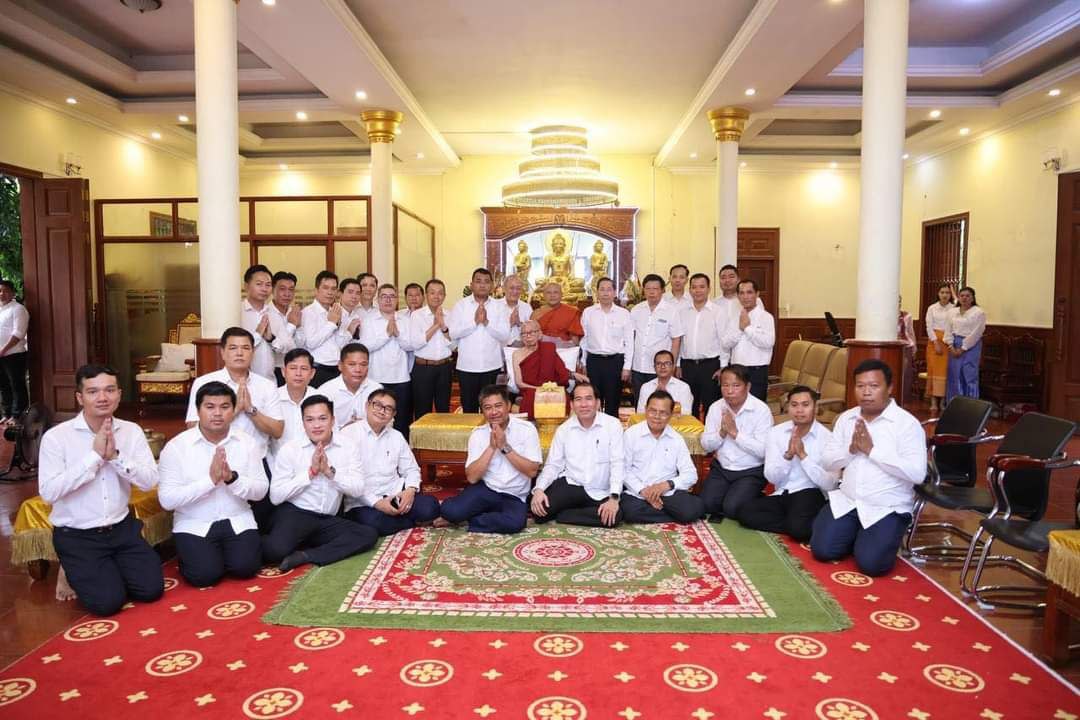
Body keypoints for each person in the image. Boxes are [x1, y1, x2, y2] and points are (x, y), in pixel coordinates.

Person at [38, 364, 163, 616]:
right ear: (79, 397)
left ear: (119, 394)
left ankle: (102, 569)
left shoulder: (131, 431)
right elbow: (49, 492)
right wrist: (94, 457)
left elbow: (149, 481)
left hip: (122, 529)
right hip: (78, 535)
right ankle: (70, 566)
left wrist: (115, 457)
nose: (103, 397)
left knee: (151, 590)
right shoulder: (56, 437)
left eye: (109, 390)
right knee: (108, 603)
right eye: (93, 391)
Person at [811, 360, 925, 576]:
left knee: (872, 565)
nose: (866, 392)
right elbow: (827, 462)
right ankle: (859, 534)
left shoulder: (907, 424)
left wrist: (872, 451)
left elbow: (917, 474)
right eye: (860, 386)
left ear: (889, 388)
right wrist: (851, 450)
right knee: (823, 550)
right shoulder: (847, 418)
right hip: (848, 501)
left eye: (874, 386)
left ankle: (872, 537)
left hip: (886, 507)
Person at [158, 382, 267, 587]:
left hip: (237, 518)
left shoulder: (247, 442)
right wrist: (210, 481)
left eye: (224, 407)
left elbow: (261, 490)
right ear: (198, 410)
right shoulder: (176, 447)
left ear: (233, 410)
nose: (217, 413)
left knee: (246, 569)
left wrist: (232, 479)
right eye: (210, 407)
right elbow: (167, 500)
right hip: (194, 522)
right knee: (204, 576)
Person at [263, 395, 378, 571]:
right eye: (310, 420)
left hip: (327, 518)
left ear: (333, 420)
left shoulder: (348, 446)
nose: (316, 425)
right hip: (296, 513)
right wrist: (310, 473)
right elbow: (276, 497)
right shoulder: (290, 449)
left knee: (368, 535)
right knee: (275, 552)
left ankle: (306, 555)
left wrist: (329, 472)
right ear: (303, 423)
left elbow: (358, 489)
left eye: (322, 418)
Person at [737, 386, 838, 542]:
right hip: (782, 493)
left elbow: (830, 484)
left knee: (798, 529)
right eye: (794, 405)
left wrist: (803, 456)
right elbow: (771, 477)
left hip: (810, 493)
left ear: (815, 407)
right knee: (745, 513)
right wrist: (788, 456)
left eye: (805, 405)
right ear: (788, 408)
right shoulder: (776, 433)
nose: (799, 410)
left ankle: (800, 524)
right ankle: (799, 523)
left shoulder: (828, 438)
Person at [439, 385, 541, 533]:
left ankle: (472, 519)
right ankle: (478, 515)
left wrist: (504, 447)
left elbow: (532, 471)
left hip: (514, 495)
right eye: (488, 408)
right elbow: (472, 478)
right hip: (486, 489)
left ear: (508, 406)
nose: (494, 412)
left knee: (515, 524)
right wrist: (491, 448)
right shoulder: (478, 434)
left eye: (498, 406)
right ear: (482, 411)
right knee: (449, 511)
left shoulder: (526, 429)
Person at [342, 389, 440, 535]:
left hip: (395, 494)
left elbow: (411, 469)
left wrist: (410, 491)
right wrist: (377, 503)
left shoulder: (396, 436)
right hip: (363, 502)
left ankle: (397, 518)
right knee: (376, 523)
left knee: (430, 507)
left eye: (388, 409)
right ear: (367, 406)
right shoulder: (348, 435)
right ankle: (408, 521)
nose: (382, 411)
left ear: (393, 414)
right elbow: (349, 480)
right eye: (377, 405)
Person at [531, 382, 624, 527]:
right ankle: (577, 512)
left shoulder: (613, 425)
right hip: (573, 485)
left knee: (613, 517)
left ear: (598, 403)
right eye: (578, 400)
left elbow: (618, 463)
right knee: (539, 512)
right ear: (572, 405)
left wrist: (614, 498)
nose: (584, 404)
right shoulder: (564, 429)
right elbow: (553, 465)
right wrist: (539, 489)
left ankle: (564, 515)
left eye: (588, 399)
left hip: (600, 491)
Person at [186, 327, 284, 460]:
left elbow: (277, 431)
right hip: (215, 459)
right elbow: (192, 428)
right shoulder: (203, 382)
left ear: (253, 352)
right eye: (233, 348)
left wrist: (251, 410)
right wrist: (235, 409)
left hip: (256, 460)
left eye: (245, 348)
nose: (239, 353)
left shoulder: (267, 385)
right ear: (222, 353)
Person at [620, 390, 705, 524]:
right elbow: (623, 470)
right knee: (629, 512)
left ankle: (658, 512)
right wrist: (644, 491)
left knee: (694, 508)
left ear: (671, 415)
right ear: (645, 410)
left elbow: (691, 474)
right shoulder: (631, 434)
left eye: (663, 413)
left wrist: (667, 485)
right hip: (638, 492)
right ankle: (672, 515)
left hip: (667, 493)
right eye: (653, 411)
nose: (657, 416)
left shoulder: (676, 439)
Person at [699, 364, 771, 522]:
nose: (729, 391)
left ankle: (752, 495)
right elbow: (706, 445)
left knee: (732, 508)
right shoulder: (716, 407)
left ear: (748, 386)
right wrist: (721, 433)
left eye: (736, 386)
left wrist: (735, 434)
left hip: (750, 470)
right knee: (706, 504)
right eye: (725, 385)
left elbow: (764, 451)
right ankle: (734, 494)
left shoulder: (761, 410)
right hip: (722, 468)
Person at [449, 268, 509, 413]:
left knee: (491, 409)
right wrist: (474, 322)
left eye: (486, 282)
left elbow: (504, 335)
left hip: (491, 365)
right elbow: (453, 333)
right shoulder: (461, 306)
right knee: (469, 409)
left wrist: (487, 322)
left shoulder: (499, 307)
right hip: (467, 366)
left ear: (492, 286)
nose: (482, 285)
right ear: (471, 285)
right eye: (478, 281)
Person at [360, 283, 413, 436]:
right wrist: (386, 334)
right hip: (377, 378)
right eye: (384, 296)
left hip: (401, 378)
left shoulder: (405, 320)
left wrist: (397, 335)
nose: (388, 300)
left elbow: (411, 346)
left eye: (392, 296)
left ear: (397, 300)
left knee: (402, 420)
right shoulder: (369, 320)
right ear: (378, 299)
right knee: (377, 419)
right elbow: (365, 347)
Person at [512, 320, 587, 419]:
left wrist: (573, 375)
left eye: (531, 332)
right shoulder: (517, 354)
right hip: (531, 389)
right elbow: (519, 383)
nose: (528, 336)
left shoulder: (548, 348)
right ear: (521, 337)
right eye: (524, 334)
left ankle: (558, 424)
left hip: (552, 388)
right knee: (531, 398)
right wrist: (541, 390)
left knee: (561, 396)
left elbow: (560, 371)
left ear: (540, 334)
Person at [580, 276, 632, 417]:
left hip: (615, 362)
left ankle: (611, 429)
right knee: (593, 400)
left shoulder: (624, 314)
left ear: (614, 292)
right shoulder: (588, 312)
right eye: (602, 289)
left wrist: (627, 367)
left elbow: (629, 342)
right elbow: (584, 339)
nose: (605, 293)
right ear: (597, 292)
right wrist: (584, 362)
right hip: (594, 361)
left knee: (612, 401)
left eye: (609, 289)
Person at [677, 273, 727, 418]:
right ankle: (690, 432)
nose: (697, 290)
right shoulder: (682, 312)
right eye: (694, 287)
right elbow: (679, 340)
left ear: (709, 289)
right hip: (687, 366)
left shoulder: (718, 311)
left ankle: (710, 432)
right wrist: (678, 364)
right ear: (689, 290)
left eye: (701, 287)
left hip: (710, 366)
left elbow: (723, 341)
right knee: (688, 405)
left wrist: (723, 367)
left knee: (711, 405)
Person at [629, 273, 684, 406]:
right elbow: (630, 338)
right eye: (648, 289)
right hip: (638, 367)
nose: (651, 292)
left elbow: (676, 340)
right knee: (640, 403)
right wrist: (628, 365)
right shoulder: (636, 310)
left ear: (662, 290)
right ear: (643, 290)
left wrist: (672, 365)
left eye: (655, 289)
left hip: (660, 369)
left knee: (660, 403)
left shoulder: (671, 311)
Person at [721, 279, 774, 402]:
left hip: (757, 371)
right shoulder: (734, 318)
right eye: (741, 293)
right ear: (738, 296)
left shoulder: (766, 317)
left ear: (757, 294)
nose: (745, 297)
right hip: (736, 370)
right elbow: (725, 343)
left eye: (749, 292)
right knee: (734, 405)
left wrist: (747, 329)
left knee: (756, 407)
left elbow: (768, 342)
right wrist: (740, 330)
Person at [408, 278, 454, 419]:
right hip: (423, 368)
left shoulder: (450, 315)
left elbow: (454, 344)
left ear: (444, 296)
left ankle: (443, 434)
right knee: (422, 410)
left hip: (445, 367)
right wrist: (436, 326)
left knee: (443, 409)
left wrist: (444, 327)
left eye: (440, 293)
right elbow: (416, 343)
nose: (436, 296)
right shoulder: (417, 315)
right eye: (432, 292)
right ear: (426, 295)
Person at [241, 265, 295, 381]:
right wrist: (257, 335)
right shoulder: (237, 313)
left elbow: (289, 346)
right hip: (243, 380)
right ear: (246, 286)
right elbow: (235, 348)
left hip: (269, 380)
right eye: (259, 284)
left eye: (268, 285)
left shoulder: (273, 314)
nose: (264, 289)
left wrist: (271, 339)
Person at [269, 348, 318, 470]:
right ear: (283, 371)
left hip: (312, 466)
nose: (298, 373)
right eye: (293, 368)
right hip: (277, 467)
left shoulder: (321, 399)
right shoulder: (272, 398)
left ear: (312, 373)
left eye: (304, 369)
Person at [318, 343, 382, 428]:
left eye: (363, 364)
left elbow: (387, 422)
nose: (358, 370)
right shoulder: (325, 392)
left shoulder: (377, 390)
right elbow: (319, 426)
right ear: (340, 365)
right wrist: (346, 430)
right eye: (352, 364)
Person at [301, 270, 348, 387]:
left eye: (333, 289)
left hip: (337, 369)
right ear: (316, 290)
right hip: (318, 370)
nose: (330, 292)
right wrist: (331, 324)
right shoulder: (308, 312)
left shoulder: (335, 311)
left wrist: (338, 325)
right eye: (325, 288)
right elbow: (311, 342)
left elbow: (340, 344)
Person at [944, 286, 986, 404]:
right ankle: (953, 405)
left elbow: (977, 332)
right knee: (954, 375)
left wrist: (963, 348)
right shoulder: (952, 312)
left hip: (971, 346)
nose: (964, 298)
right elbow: (948, 330)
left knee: (968, 375)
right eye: (962, 296)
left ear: (972, 298)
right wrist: (951, 346)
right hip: (954, 345)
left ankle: (970, 406)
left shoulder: (978, 312)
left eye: (968, 296)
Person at [0, 279, 29, 420]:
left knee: (16, 385)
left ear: (13, 293)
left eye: (5, 291)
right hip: (1, 356)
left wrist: (3, 350)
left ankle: (18, 416)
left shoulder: (18, 309)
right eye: (0, 291)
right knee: (3, 385)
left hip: (14, 354)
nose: (2, 294)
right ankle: (7, 414)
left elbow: (18, 333)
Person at [268, 271, 304, 386]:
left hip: (294, 370)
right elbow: (277, 347)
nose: (287, 294)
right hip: (274, 370)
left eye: (291, 289)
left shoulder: (294, 312)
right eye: (282, 289)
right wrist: (292, 325)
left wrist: (298, 327)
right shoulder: (266, 314)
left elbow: (301, 344)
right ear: (272, 290)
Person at [924, 284, 954, 412]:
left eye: (947, 292)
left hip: (948, 341)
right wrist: (935, 342)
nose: (945, 295)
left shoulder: (954, 308)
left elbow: (954, 326)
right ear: (938, 294)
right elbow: (929, 326)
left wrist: (948, 342)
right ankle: (933, 401)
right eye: (942, 292)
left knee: (945, 372)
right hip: (934, 341)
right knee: (933, 371)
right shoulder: (932, 308)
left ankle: (942, 401)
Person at [636, 350, 693, 414]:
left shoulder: (684, 387)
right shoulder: (646, 387)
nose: (663, 367)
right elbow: (640, 413)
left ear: (673, 366)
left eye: (667, 363)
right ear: (654, 367)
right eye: (658, 363)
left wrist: (667, 398)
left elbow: (687, 413)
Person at [534, 282, 584, 347]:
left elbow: (575, 340)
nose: (552, 295)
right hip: (542, 349)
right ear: (543, 295)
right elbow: (532, 337)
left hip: (565, 350)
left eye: (556, 292)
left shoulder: (571, 312)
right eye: (548, 292)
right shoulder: (536, 314)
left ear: (561, 294)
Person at [502, 274, 533, 347]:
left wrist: (519, 323)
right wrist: (509, 324)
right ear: (504, 288)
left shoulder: (527, 307)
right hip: (500, 347)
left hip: (522, 348)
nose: (515, 291)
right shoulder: (495, 305)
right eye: (511, 288)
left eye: (518, 288)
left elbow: (532, 332)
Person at [898, 298, 917, 406]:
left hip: (906, 346)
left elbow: (910, 331)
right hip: (892, 346)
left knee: (905, 373)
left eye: (899, 301)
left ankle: (904, 399)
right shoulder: (885, 315)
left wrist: (914, 347)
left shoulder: (907, 315)